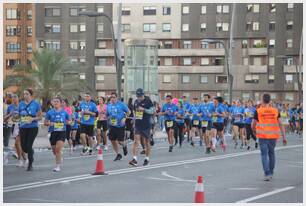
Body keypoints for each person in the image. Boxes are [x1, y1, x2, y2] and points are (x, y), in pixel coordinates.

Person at [252, 93, 287, 181]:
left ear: (262, 100)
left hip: (262, 136)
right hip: (273, 136)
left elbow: (253, 124)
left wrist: (254, 131)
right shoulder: (275, 110)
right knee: (271, 153)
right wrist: (284, 137)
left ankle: (267, 174)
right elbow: (281, 124)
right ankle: (271, 172)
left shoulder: (258, 111)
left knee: (264, 154)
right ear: (269, 100)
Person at [44, 96, 71, 172]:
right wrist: (50, 123)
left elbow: (69, 121)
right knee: (54, 151)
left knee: (58, 149)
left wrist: (66, 122)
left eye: (57, 101)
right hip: (53, 132)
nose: (55, 103)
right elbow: (45, 122)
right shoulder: (49, 112)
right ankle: (59, 157)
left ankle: (57, 166)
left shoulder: (64, 112)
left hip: (62, 132)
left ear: (60, 103)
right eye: (54, 101)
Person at [129, 88, 154, 166]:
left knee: (147, 142)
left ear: (143, 94)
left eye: (140, 96)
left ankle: (147, 158)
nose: (139, 97)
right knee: (136, 141)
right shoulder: (136, 102)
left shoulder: (148, 101)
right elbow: (135, 112)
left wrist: (144, 109)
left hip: (146, 124)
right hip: (138, 124)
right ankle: (134, 159)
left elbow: (152, 111)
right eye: (138, 96)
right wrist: (134, 119)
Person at [18, 89, 42, 171]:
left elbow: (40, 117)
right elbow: (18, 115)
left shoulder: (36, 104)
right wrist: (15, 116)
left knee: (28, 145)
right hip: (23, 127)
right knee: (24, 147)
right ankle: (31, 151)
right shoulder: (20, 104)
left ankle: (30, 164)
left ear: (31, 95)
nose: (25, 95)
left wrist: (32, 119)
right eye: (24, 94)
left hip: (33, 128)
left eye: (27, 94)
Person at [4, 94, 28, 167]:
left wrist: (21, 117)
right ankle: (25, 159)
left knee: (17, 143)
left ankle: (20, 160)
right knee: (19, 145)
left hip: (22, 126)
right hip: (14, 127)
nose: (14, 99)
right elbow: (5, 118)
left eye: (15, 97)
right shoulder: (10, 107)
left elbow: (27, 117)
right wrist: (10, 115)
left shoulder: (23, 105)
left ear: (18, 98)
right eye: (12, 98)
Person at [106, 92, 129, 161]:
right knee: (112, 140)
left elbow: (129, 112)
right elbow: (107, 115)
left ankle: (124, 146)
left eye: (114, 97)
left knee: (120, 141)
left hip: (120, 125)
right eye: (111, 97)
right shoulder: (109, 106)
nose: (112, 99)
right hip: (112, 125)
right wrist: (108, 118)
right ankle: (118, 154)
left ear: (116, 98)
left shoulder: (121, 104)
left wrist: (124, 118)